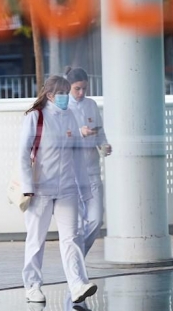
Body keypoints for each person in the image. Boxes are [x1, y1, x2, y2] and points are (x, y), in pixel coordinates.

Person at [20, 75, 98, 305]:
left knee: (72, 238)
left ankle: (77, 285)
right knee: (36, 239)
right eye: (63, 93)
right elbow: (23, 154)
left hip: (67, 190)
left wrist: (84, 190)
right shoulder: (36, 117)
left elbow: (77, 156)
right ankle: (32, 285)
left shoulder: (70, 117)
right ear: (51, 95)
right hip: (40, 190)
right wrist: (27, 187)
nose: (67, 97)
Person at [64, 66, 112, 256]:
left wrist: (104, 145)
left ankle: (76, 255)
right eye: (77, 88)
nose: (82, 92)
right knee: (75, 224)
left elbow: (99, 131)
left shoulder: (91, 104)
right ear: (69, 87)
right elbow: (59, 137)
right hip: (72, 172)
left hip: (92, 170)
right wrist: (79, 133)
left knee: (96, 219)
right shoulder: (63, 106)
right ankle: (75, 262)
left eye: (84, 88)